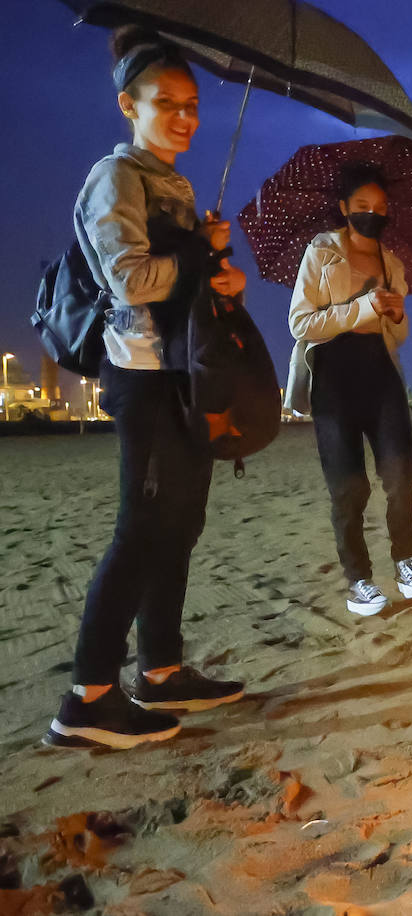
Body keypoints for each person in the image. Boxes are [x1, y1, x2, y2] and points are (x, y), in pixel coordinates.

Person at [46, 28, 247, 750]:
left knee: (181, 525)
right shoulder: (117, 177)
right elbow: (128, 278)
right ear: (129, 104)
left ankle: (160, 670)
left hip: (184, 374)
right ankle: (87, 698)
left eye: (193, 104)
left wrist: (221, 272)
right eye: (169, 104)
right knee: (142, 528)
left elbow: (189, 284)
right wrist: (196, 254)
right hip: (142, 373)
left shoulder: (177, 182)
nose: (187, 117)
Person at [285, 163, 412, 617]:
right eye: (362, 206)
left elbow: (395, 338)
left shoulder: (392, 262)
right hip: (333, 377)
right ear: (343, 208)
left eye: (381, 207)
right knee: (349, 486)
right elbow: (301, 323)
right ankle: (358, 580)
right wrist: (361, 308)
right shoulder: (321, 254)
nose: (373, 214)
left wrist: (397, 317)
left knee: (402, 475)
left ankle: (406, 559)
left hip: (380, 373)